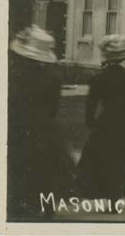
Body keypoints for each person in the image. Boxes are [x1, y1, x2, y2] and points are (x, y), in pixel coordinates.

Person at [7, 25, 75, 219]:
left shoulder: (16, 74)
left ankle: (22, 202)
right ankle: (47, 205)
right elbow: (54, 106)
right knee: (47, 166)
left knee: (20, 164)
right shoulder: (53, 77)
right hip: (45, 125)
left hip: (20, 124)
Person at [76, 35, 125, 206]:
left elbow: (91, 104)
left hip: (106, 122)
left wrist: (90, 121)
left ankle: (104, 194)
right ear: (124, 57)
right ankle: (114, 196)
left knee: (104, 158)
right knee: (121, 159)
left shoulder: (99, 78)